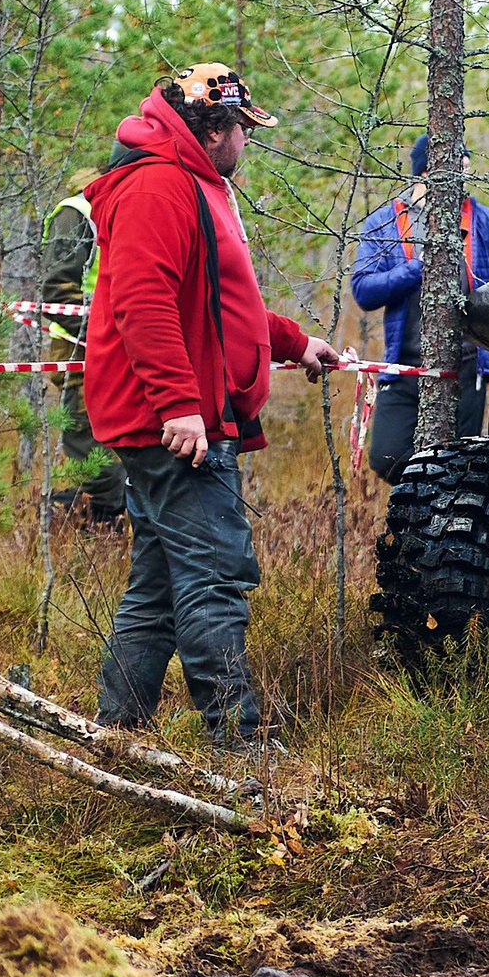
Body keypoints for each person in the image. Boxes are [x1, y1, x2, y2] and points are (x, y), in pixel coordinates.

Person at [82, 63, 342, 741]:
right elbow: (143, 302)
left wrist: (294, 342)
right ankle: (237, 745)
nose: (248, 143)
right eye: (244, 131)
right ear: (216, 129)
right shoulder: (159, 185)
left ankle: (117, 733)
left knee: (161, 586)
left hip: (185, 415)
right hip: (174, 424)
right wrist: (178, 406)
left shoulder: (194, 182)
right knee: (215, 579)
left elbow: (223, 304)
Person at [350, 132, 489, 482]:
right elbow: (363, 290)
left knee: (459, 467)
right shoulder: (385, 222)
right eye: (458, 170)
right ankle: (416, 508)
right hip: (403, 366)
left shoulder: (480, 218)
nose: (466, 180)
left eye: (467, 170)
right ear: (427, 172)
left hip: (465, 367)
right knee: (388, 457)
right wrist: (416, 270)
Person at [40, 167, 125, 522]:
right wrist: (109, 333)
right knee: (95, 460)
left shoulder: (133, 206)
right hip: (83, 356)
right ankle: (95, 543)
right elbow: (57, 291)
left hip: (131, 356)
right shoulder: (78, 212)